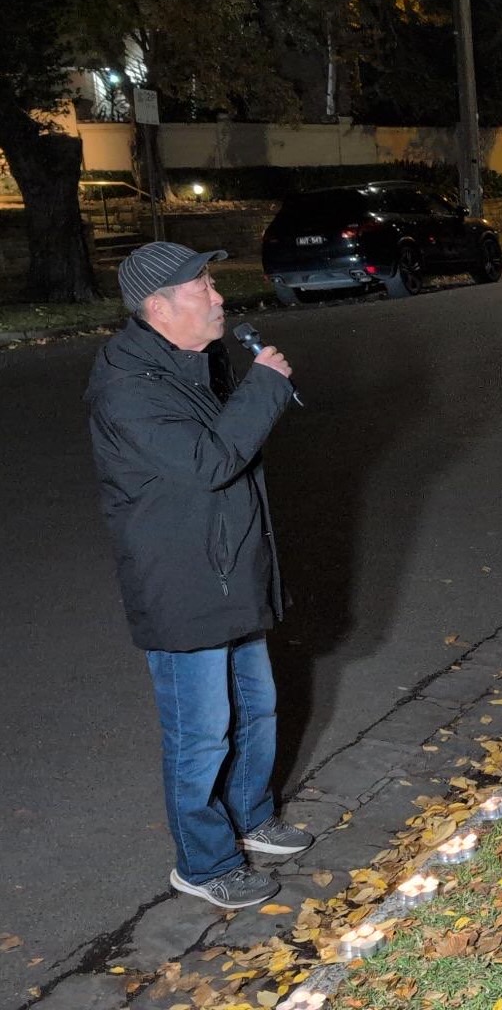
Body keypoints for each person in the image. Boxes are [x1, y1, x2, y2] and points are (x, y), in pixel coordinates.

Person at [86, 241, 310, 909]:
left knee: (257, 708)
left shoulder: (187, 362)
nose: (218, 296)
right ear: (158, 308)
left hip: (227, 569)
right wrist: (264, 386)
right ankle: (204, 862)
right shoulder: (127, 387)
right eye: (202, 287)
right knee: (200, 735)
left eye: (212, 282)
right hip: (181, 585)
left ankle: (249, 817)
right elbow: (209, 463)